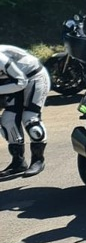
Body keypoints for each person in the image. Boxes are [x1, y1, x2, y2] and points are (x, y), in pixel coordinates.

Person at [0, 45, 50, 178]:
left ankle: (38, 160)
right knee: (8, 120)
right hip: (11, 81)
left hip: (34, 77)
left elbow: (21, 82)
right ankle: (18, 162)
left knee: (30, 118)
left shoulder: (0, 59)